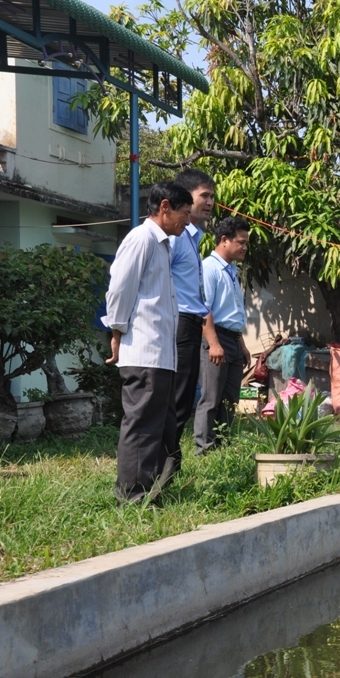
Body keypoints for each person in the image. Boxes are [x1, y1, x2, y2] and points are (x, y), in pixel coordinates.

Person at [102, 182, 192, 503]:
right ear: (165, 207)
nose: (188, 221)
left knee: (164, 426)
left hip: (161, 354)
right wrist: (116, 331)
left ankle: (159, 489)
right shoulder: (141, 239)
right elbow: (120, 289)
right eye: (184, 214)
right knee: (142, 426)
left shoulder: (164, 245)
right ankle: (131, 497)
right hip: (144, 351)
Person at [168, 169, 216, 469]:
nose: (210, 202)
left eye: (212, 196)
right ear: (187, 198)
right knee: (176, 399)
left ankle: (170, 465)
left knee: (184, 400)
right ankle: (163, 466)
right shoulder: (175, 237)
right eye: (204, 196)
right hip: (178, 321)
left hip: (189, 322)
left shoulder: (192, 237)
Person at [194, 216, 251, 453]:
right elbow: (203, 309)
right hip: (216, 339)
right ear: (224, 240)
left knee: (230, 400)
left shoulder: (231, 271)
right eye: (241, 242)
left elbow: (232, 312)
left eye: (246, 243)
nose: (245, 247)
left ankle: (222, 446)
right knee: (211, 398)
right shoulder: (210, 268)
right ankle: (204, 448)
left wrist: (243, 344)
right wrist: (214, 343)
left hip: (233, 340)